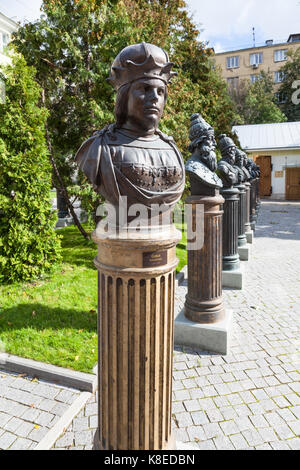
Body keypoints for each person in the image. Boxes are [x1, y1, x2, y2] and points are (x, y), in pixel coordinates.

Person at [75, 42, 185, 225]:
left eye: (160, 91)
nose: (155, 98)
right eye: (145, 89)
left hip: (161, 234)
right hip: (121, 234)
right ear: (124, 96)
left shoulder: (171, 148)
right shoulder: (99, 148)